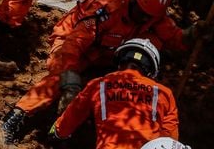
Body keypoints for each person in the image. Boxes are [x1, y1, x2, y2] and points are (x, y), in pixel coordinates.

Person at [0, 0, 190, 148]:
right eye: (143, 15)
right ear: (134, 1)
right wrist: (70, 85)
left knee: (155, 40)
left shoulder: (152, 14)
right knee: (59, 78)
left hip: (109, 52)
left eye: (150, 18)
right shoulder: (106, 8)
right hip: (72, 42)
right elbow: (72, 46)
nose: (146, 20)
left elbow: (174, 37)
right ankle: (13, 120)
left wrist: (195, 35)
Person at [50, 39, 179, 149]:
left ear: (120, 61)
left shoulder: (99, 84)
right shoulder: (165, 94)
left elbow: (75, 112)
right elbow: (169, 138)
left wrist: (58, 132)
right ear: (151, 70)